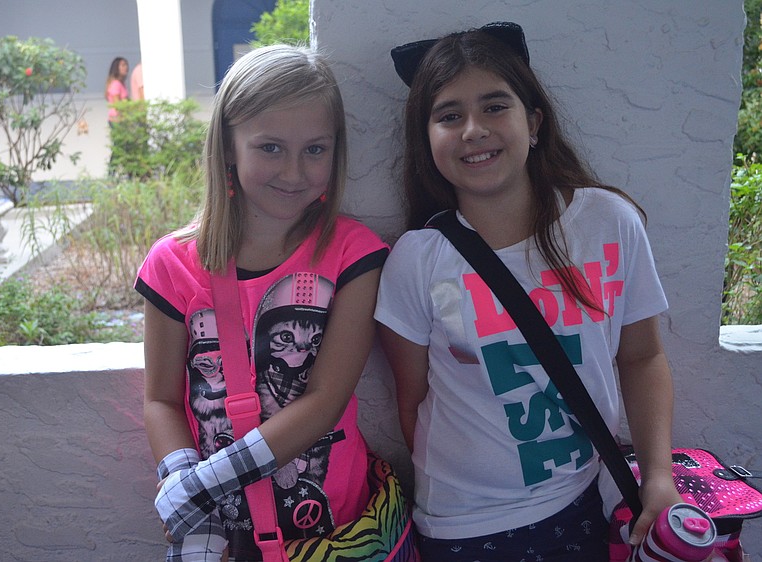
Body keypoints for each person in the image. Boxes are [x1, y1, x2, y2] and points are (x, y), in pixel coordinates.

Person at [375, 23, 681, 560]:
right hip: (464, 527)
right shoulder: (416, 260)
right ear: (427, 140)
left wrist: (659, 475)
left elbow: (642, 357)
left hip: (588, 498)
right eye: (449, 116)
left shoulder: (608, 224)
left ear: (534, 122)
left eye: (495, 107)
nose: (474, 130)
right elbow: (414, 403)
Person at [135, 44, 388, 561]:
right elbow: (161, 400)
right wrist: (189, 502)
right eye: (270, 147)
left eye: (315, 149)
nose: (294, 172)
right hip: (224, 538)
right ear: (228, 147)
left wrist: (199, 487)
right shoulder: (171, 264)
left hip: (335, 534)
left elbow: (325, 401)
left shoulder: (353, 255)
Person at [105, 56, 129, 125]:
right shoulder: (116, 84)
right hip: (117, 120)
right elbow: (117, 104)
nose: (126, 67)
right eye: (123, 65)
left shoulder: (121, 83)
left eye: (126, 65)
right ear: (116, 68)